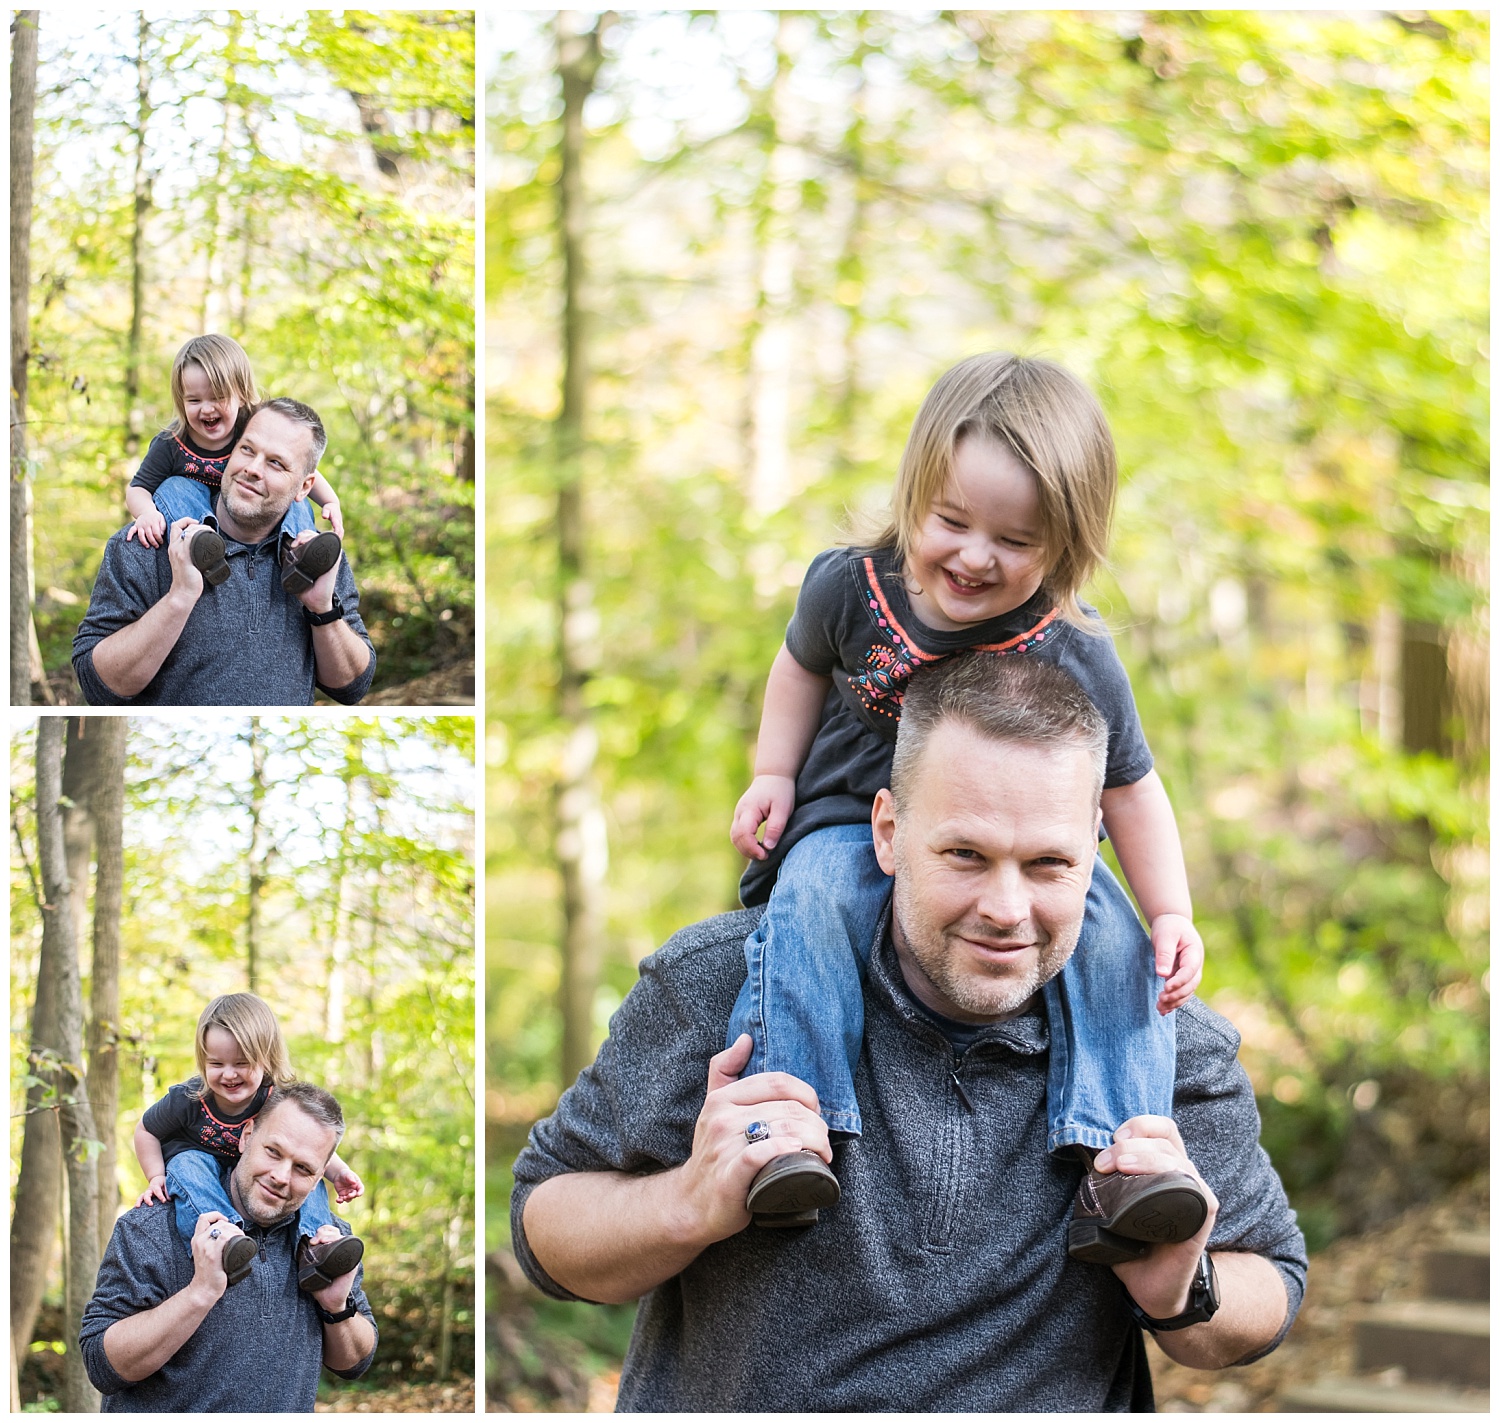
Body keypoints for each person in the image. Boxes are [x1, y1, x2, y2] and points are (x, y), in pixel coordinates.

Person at [512, 655, 1307, 1412]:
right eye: (966, 853)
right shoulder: (725, 983)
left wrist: (1183, 1288)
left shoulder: (1162, 1034)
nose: (1005, 907)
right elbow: (543, 1223)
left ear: (1094, 846)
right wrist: (686, 1202)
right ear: (888, 831)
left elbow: (1272, 1280)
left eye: (1048, 864)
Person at [725, 352, 1204, 1250]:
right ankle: (791, 1126)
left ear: (1066, 547)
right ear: (916, 496)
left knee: (1112, 946)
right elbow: (798, 665)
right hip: (843, 812)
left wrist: (1169, 908)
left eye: (1016, 542)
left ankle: (1128, 1159)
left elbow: (1131, 785)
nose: (975, 557)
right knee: (813, 904)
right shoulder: (849, 586)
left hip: (1023, 847)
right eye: (951, 521)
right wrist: (774, 774)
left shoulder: (1069, 649)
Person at [81, 1081, 378, 1412]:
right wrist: (200, 1293)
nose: (281, 1176)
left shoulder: (327, 1243)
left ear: (323, 1173)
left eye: (303, 1168)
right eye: (273, 1152)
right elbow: (101, 1365)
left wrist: (336, 1308)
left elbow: (353, 1364)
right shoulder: (152, 1227)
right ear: (247, 1135)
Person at [72, 396, 376, 706]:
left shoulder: (317, 558)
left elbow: (352, 688)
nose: (253, 469)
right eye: (247, 450)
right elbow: (97, 687)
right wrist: (179, 598)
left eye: (276, 463)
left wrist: (322, 608)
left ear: (304, 487)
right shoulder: (144, 543)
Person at [131, 993, 365, 1289]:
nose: (229, 1075)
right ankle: (223, 1238)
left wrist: (339, 1173)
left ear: (266, 1060)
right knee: (186, 1163)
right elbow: (145, 1130)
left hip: (252, 1165)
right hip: (198, 1162)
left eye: (241, 1063)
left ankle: (315, 1247)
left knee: (306, 1174)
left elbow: (308, 1149)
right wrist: (156, 1176)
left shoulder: (273, 1098)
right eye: (216, 1063)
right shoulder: (187, 1099)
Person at [123, 333, 345, 551]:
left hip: (249, 512)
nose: (207, 409)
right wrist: (147, 513)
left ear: (241, 394)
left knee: (291, 491)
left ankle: (297, 550)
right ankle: (202, 550)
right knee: (177, 487)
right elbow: (138, 488)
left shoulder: (251, 426)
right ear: (181, 401)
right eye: (194, 400)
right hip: (199, 527)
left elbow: (298, 469)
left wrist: (330, 502)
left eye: (218, 397)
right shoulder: (171, 442)